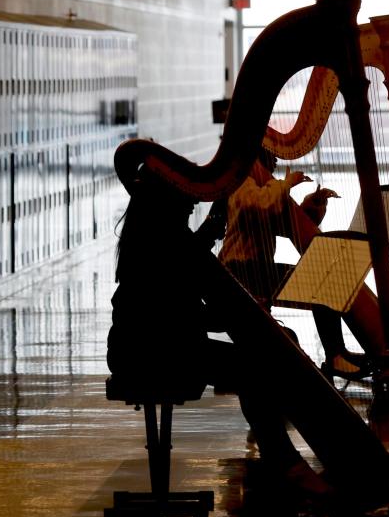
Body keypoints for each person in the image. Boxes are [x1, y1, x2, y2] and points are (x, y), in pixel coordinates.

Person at [107, 173, 331, 499]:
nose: (192, 203)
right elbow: (178, 313)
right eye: (187, 196)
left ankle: (284, 460)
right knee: (253, 368)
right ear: (168, 202)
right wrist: (240, 311)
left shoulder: (155, 236)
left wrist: (243, 309)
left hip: (154, 345)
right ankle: (287, 463)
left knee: (264, 354)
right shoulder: (165, 243)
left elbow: (183, 307)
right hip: (150, 352)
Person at [217, 149, 370, 380]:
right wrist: (287, 183)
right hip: (239, 272)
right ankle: (336, 357)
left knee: (326, 276)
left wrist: (310, 208)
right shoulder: (242, 181)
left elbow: (283, 224)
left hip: (256, 269)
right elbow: (259, 205)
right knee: (322, 280)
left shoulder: (263, 185)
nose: (277, 162)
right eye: (272, 156)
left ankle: (337, 353)